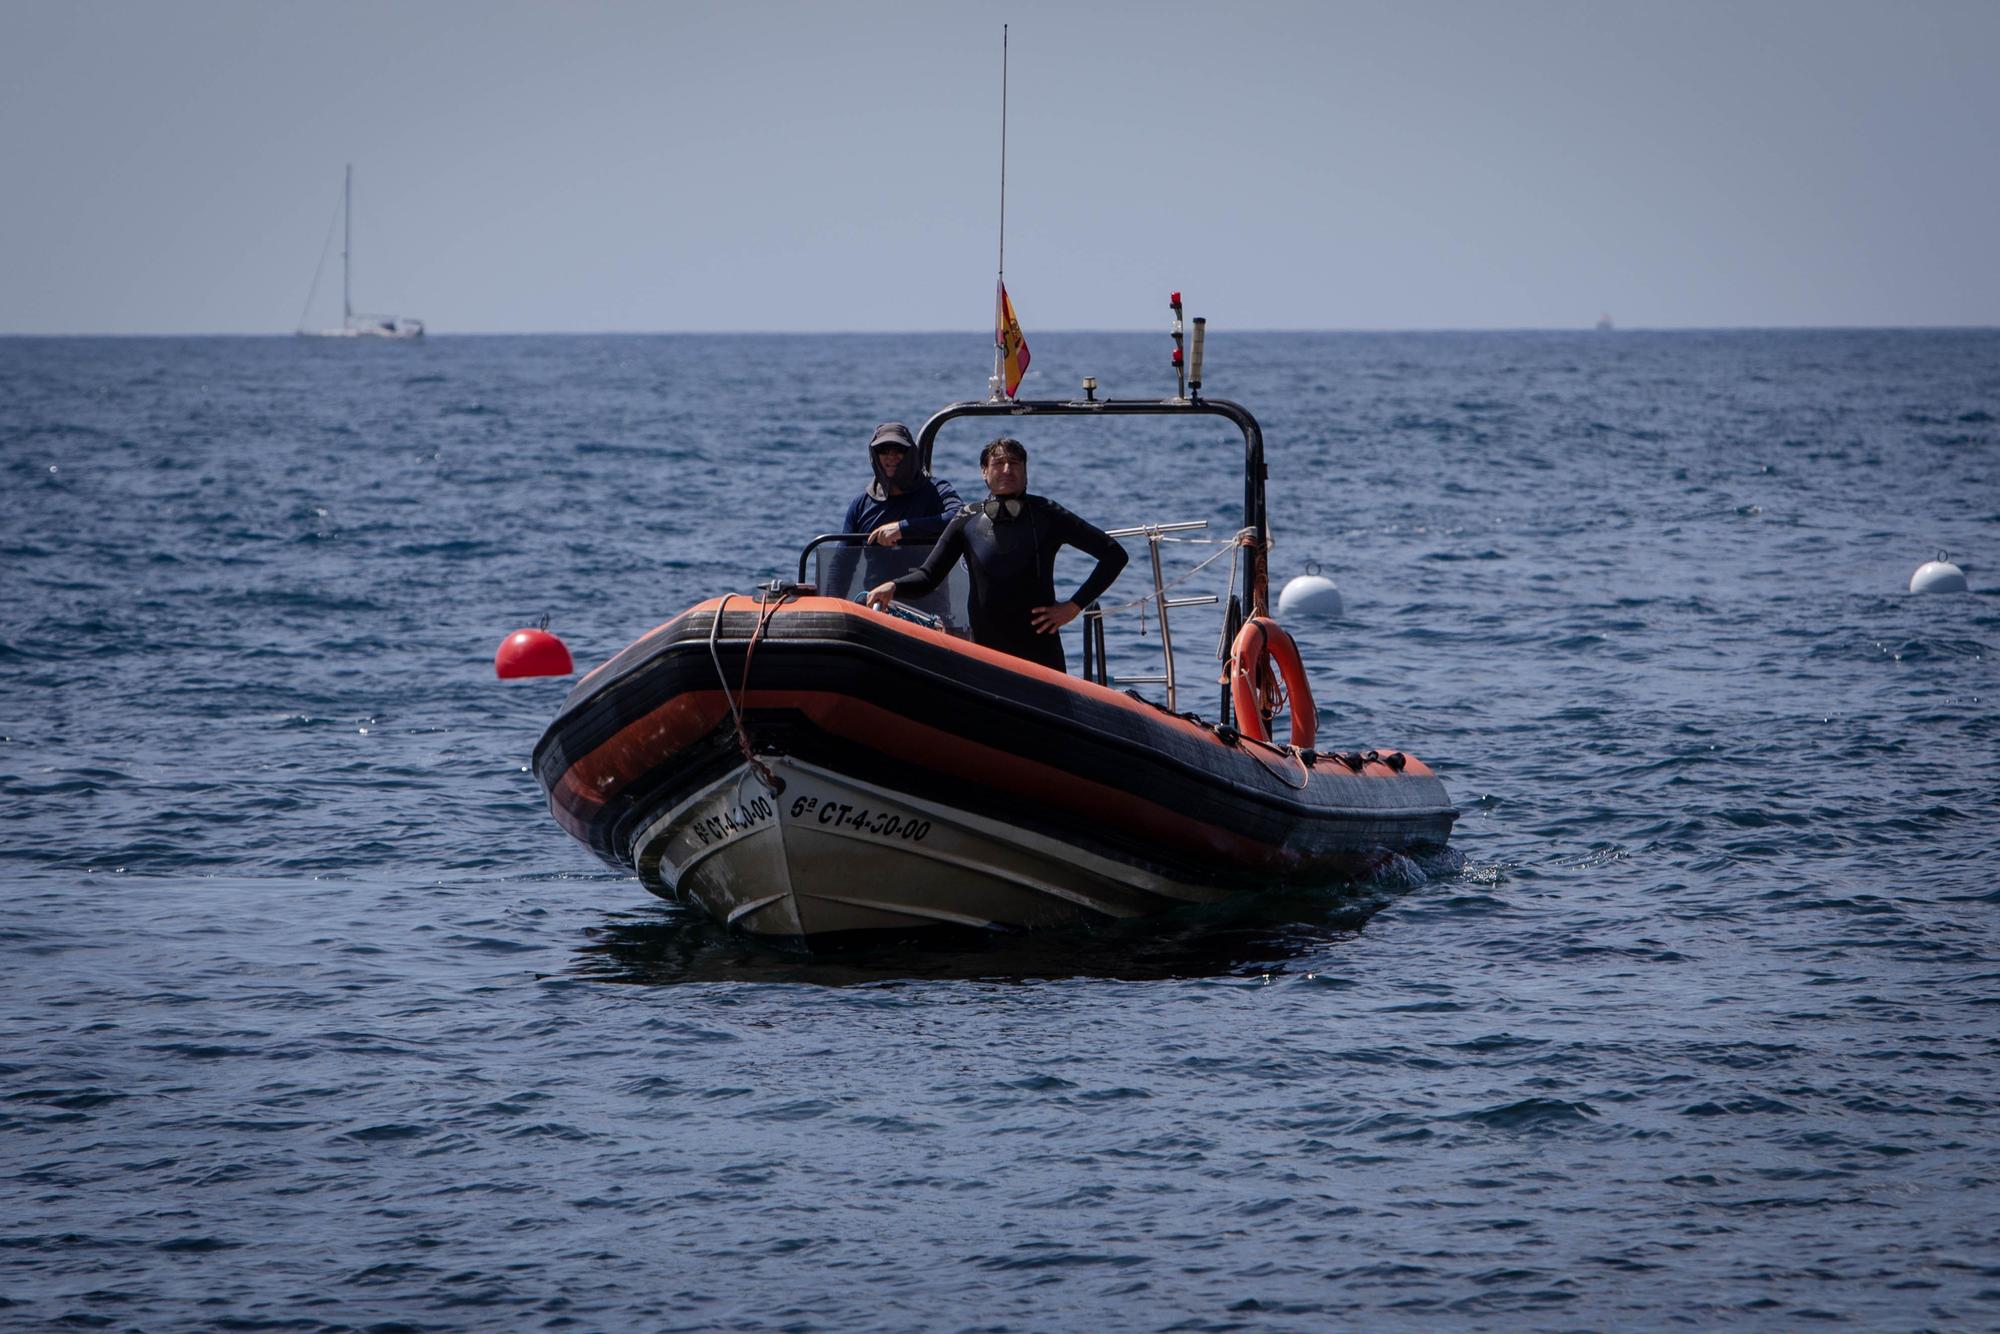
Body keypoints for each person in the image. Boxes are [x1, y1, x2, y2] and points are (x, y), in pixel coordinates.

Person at [867, 436, 1127, 673]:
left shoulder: (1047, 513)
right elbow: (928, 577)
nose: (1007, 470)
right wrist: (893, 586)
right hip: (987, 652)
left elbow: (1114, 555)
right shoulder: (966, 518)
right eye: (999, 463)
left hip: (1041, 653)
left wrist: (1073, 607)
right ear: (984, 471)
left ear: (1026, 473)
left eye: (1015, 463)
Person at [827, 422, 963, 599]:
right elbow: (842, 565)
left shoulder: (936, 490)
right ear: (875, 455)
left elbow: (959, 516)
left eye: (898, 450)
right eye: (883, 450)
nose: (891, 456)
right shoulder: (861, 504)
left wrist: (902, 528)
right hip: (875, 607)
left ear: (911, 453)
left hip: (928, 607)